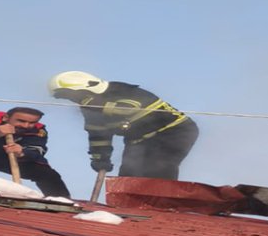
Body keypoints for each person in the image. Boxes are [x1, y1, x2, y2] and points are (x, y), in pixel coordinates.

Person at [48, 71, 198, 180]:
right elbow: (98, 134)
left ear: (87, 88)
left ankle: (163, 206)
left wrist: (96, 104)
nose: (72, 100)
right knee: (128, 175)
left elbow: (128, 109)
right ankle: (131, 208)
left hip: (174, 132)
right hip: (137, 139)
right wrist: (100, 158)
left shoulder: (122, 90)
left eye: (71, 95)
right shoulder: (89, 109)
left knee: (159, 167)